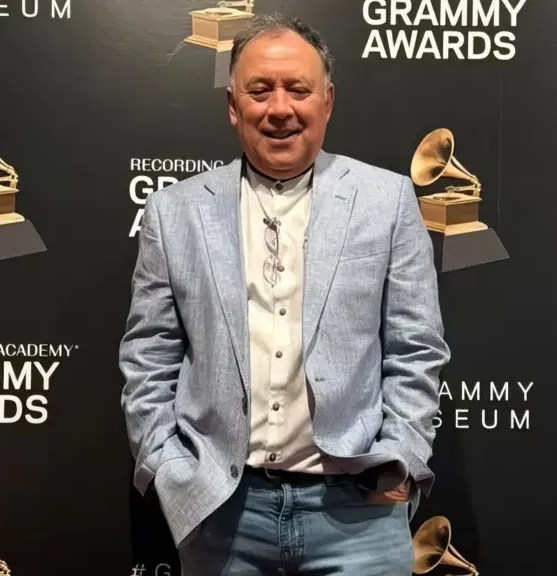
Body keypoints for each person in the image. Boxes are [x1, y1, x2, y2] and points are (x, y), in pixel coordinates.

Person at [119, 12, 450, 576]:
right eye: (259, 90)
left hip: (358, 516)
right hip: (221, 514)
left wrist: (402, 457)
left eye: (298, 90)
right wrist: (171, 470)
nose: (279, 108)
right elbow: (148, 356)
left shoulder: (388, 200)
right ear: (232, 105)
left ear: (327, 102)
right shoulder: (174, 212)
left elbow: (416, 348)